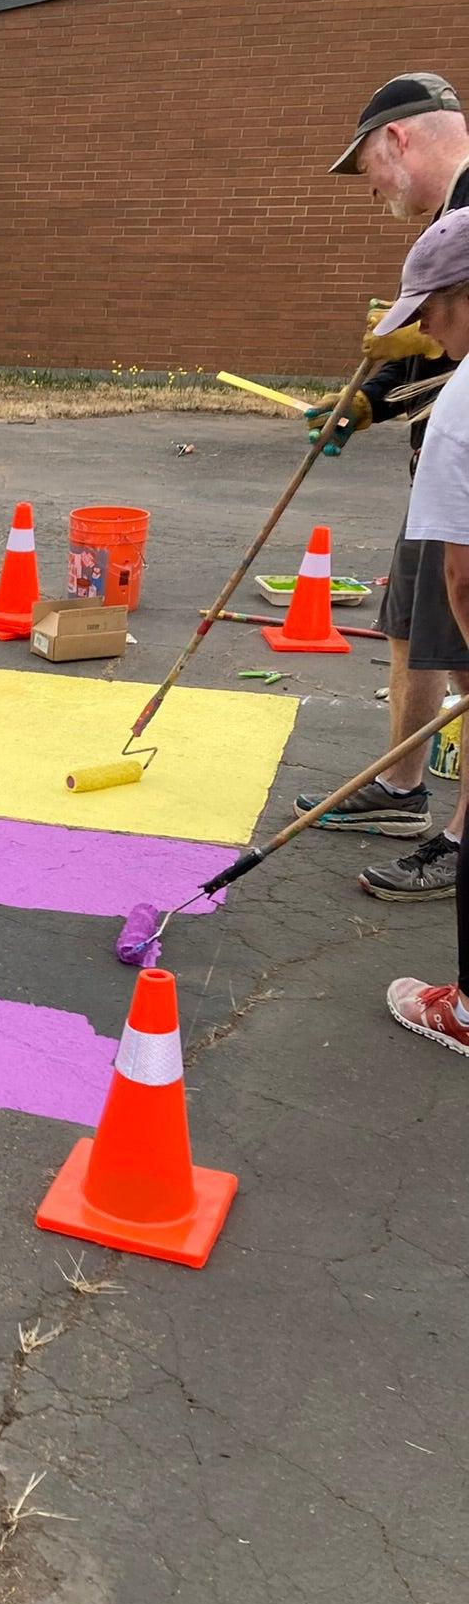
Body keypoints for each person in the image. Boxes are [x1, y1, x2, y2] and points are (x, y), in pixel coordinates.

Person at [296, 72, 469, 902]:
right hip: (436, 466)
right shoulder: (449, 218)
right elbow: (429, 348)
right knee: (410, 624)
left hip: (462, 473)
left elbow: (448, 348)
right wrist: (363, 401)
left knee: (466, 652)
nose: (369, 187)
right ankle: (401, 790)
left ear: (398, 140)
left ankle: (464, 841)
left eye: (366, 164)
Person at [367, 210, 469, 1055]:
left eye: (430, 310)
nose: (426, 333)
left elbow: (461, 577)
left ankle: (464, 1009)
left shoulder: (461, 408)